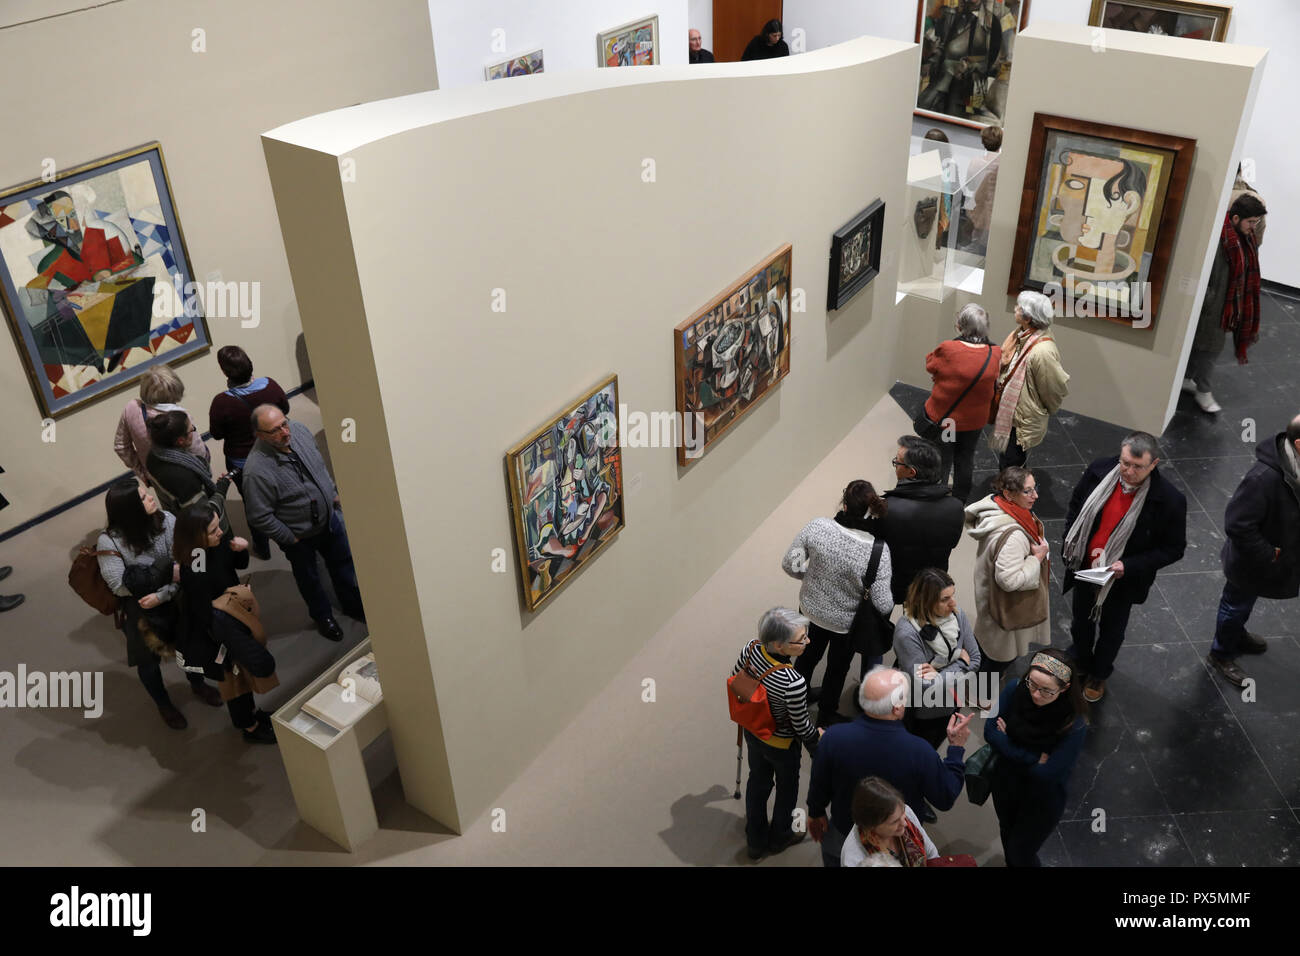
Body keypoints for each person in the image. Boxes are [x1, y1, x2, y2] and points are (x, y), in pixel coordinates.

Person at [1061, 432, 1187, 702]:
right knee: (1080, 621)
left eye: (1137, 466)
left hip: (1122, 580)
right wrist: (1069, 540)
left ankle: (1099, 672)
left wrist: (1128, 566)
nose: (1128, 471)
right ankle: (1081, 659)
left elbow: (1174, 549)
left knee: (1112, 630)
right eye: (1124, 462)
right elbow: (1076, 505)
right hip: (1085, 567)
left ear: (1153, 464)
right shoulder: (1099, 470)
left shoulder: (1170, 500)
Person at [806, 666, 971, 867]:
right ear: (897, 708)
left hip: (843, 831)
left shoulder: (832, 738)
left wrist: (815, 812)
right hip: (898, 840)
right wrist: (955, 751)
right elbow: (945, 797)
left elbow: (819, 781)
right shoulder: (920, 751)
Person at [96, 479, 224, 729]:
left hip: (172, 596)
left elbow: (184, 563)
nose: (151, 497)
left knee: (191, 645)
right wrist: (166, 573)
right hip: (140, 609)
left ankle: (197, 684)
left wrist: (163, 591)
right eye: (143, 498)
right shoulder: (109, 542)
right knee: (148, 663)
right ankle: (163, 703)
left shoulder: (166, 519)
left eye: (147, 492)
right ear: (130, 509)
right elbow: (120, 586)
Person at [242, 405, 365, 641]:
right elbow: (259, 516)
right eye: (274, 431)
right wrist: (291, 538)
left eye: (283, 424)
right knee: (310, 579)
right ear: (259, 435)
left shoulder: (298, 430)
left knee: (343, 564)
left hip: (330, 521)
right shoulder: (256, 471)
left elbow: (318, 464)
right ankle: (323, 616)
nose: (284, 432)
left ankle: (353, 605)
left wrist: (331, 493)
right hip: (299, 538)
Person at [781, 481, 894, 727]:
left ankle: (794, 704)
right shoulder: (878, 551)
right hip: (847, 626)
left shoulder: (818, 527)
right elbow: (883, 604)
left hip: (810, 611)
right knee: (837, 670)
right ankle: (826, 715)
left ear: (844, 505)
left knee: (806, 657)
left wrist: (811, 576)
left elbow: (790, 564)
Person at [1207, 413, 1300, 687]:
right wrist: (1269, 555)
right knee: (1235, 605)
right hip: (1254, 562)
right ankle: (1221, 653)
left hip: (1279, 557)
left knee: (1243, 605)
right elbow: (1237, 525)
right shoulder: (1263, 478)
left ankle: (1236, 634)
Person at [173, 503, 278, 743]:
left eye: (218, 525)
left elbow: (236, 565)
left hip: (233, 619)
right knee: (235, 683)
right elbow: (204, 611)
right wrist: (236, 598)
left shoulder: (217, 545)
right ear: (196, 537)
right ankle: (249, 727)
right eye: (212, 530)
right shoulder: (195, 565)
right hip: (219, 633)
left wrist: (240, 550)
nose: (220, 532)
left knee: (244, 676)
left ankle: (252, 716)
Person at [731, 608, 821, 860]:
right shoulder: (792, 681)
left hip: (752, 731)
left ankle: (756, 839)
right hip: (781, 744)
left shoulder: (750, 648)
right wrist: (816, 742)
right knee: (786, 788)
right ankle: (780, 836)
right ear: (780, 646)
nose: (808, 641)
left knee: (757, 782)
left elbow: (735, 680)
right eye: (801, 639)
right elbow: (800, 724)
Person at [984, 649, 1088, 867]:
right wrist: (1033, 758)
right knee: (1006, 832)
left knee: (1021, 851)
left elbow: (1049, 774)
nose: (1036, 694)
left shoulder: (1073, 722)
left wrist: (1007, 745)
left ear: (1065, 688)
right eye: (1032, 683)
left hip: (1041, 800)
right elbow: (990, 731)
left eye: (1047, 690)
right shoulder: (1015, 688)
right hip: (1005, 785)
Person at [1184, 192, 1267, 414]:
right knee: (1210, 350)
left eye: (1256, 222)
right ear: (1236, 218)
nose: (1254, 227)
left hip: (1227, 304)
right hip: (1214, 305)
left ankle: (1186, 378)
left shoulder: (1244, 239)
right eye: (1251, 222)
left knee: (1202, 347)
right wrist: (1210, 300)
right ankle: (1204, 391)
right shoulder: (1220, 239)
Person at [965, 466, 1050, 675]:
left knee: (985, 648)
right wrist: (1037, 559)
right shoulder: (1013, 535)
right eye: (1027, 491)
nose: (1035, 495)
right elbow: (1009, 581)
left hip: (989, 598)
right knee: (996, 659)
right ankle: (978, 694)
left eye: (1034, 488)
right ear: (1008, 494)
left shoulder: (998, 509)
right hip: (1005, 607)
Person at [208, 345, 290, 559]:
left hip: (242, 463)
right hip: (276, 453)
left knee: (254, 503)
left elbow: (216, 434)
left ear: (225, 372)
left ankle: (262, 547)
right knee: (283, 492)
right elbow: (285, 410)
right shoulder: (271, 386)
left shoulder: (221, 402)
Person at [892, 568, 981, 756]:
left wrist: (939, 669)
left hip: (952, 700)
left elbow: (975, 659)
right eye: (944, 599)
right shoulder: (907, 633)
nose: (953, 603)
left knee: (935, 744)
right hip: (925, 710)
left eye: (952, 596)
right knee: (917, 751)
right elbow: (925, 687)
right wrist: (961, 663)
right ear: (924, 601)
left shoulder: (957, 615)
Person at [868, 436, 965, 606]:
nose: (895, 467)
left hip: (894, 585)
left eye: (897, 463)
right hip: (932, 584)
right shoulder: (956, 507)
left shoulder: (886, 509)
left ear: (911, 472)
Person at [922, 304, 1001, 502]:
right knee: (966, 457)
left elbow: (931, 365)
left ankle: (937, 497)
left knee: (944, 456)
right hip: (975, 421)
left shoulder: (949, 348)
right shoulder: (995, 353)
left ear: (960, 325)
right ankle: (959, 499)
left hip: (950, 421)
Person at [990, 291, 1069, 471]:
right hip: (1013, 413)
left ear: (1028, 317)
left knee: (1013, 461)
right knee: (1008, 457)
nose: (1015, 309)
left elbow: (1053, 389)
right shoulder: (1021, 335)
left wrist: (1043, 409)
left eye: (1019, 307)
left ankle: (1011, 493)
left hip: (1022, 417)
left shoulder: (1042, 351)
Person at [113, 365, 210, 484]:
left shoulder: (131, 408)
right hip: (187, 478)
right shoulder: (181, 417)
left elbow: (121, 446)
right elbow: (198, 452)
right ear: (175, 388)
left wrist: (143, 472)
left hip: (156, 477)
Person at [146, 410, 233, 519]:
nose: (193, 430)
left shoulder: (153, 456)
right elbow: (204, 516)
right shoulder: (185, 477)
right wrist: (221, 490)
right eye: (191, 430)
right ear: (181, 441)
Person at [841, 776, 939, 867]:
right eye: (894, 822)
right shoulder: (854, 860)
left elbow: (931, 854)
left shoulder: (905, 812)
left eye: (902, 814)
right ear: (872, 826)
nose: (905, 823)